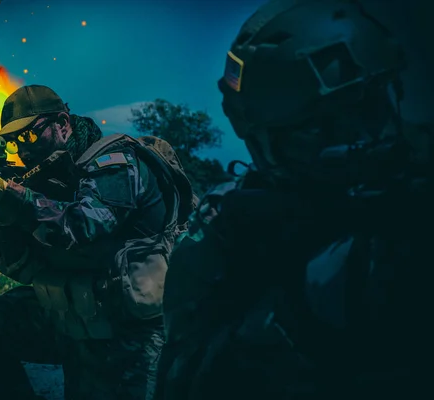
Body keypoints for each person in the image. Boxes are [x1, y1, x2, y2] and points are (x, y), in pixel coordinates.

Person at [156, 0, 433, 399]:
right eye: (320, 128)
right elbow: (185, 375)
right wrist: (293, 315)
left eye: (371, 106)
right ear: (271, 142)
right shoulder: (229, 224)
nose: (363, 137)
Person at [0, 84, 194, 399]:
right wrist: (1, 215)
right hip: (75, 318)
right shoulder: (44, 179)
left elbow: (80, 226)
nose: (23, 149)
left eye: (29, 135)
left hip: (132, 332)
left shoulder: (116, 162)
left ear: (62, 123)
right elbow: (23, 267)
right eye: (13, 142)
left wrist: (10, 196)